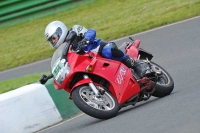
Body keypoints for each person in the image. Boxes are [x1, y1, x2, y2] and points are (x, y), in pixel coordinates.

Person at [44, 20, 146, 78]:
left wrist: (86, 39)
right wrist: (51, 75)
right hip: (88, 62)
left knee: (108, 51)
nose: (53, 42)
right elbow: (62, 63)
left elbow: (91, 31)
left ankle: (136, 65)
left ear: (60, 31)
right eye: (51, 41)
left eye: (53, 38)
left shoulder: (74, 30)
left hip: (97, 49)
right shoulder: (63, 50)